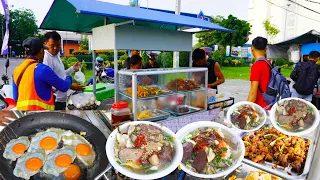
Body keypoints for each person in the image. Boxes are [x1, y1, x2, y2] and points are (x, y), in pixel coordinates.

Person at [13, 37, 72, 110]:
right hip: (41, 117)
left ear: (26, 52)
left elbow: (16, 98)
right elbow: (64, 87)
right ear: (41, 51)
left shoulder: (17, 70)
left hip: (23, 117)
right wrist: (68, 78)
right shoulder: (43, 69)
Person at [43, 31, 84, 110]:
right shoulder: (46, 58)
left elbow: (60, 75)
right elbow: (50, 82)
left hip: (62, 98)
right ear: (45, 44)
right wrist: (70, 86)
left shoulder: (56, 55)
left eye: (58, 46)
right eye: (52, 46)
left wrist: (72, 68)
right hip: (55, 100)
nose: (55, 48)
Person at [248, 37, 271, 108]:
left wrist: (246, 108)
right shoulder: (268, 63)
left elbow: (253, 93)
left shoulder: (256, 66)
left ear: (252, 48)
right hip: (270, 104)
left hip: (261, 107)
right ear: (266, 49)